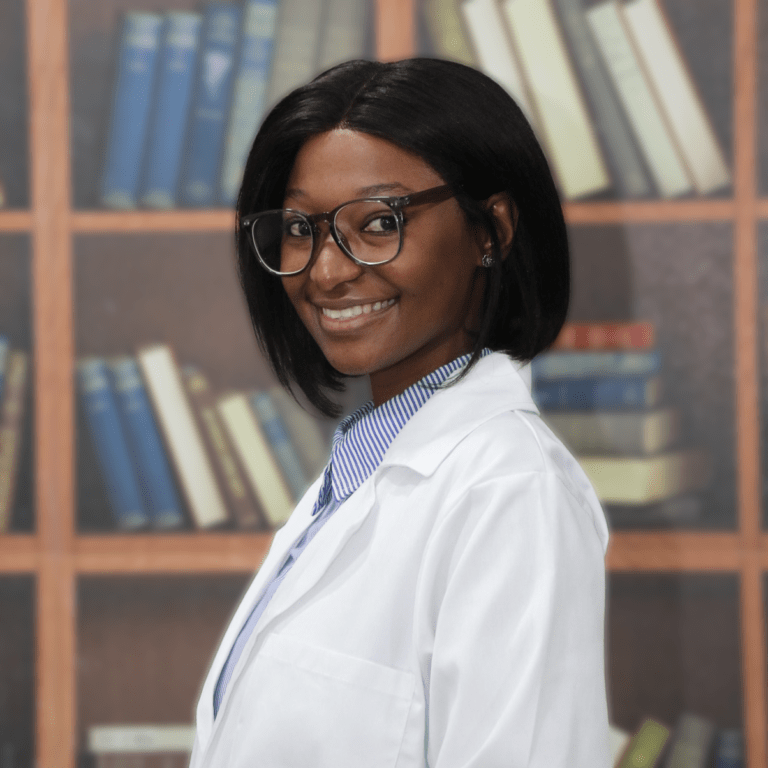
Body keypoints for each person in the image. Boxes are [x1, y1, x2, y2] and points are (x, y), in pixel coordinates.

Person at [189, 58, 611, 768]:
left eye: (379, 221)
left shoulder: (510, 493)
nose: (327, 271)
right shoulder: (357, 478)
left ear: (492, 230)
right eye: (300, 228)